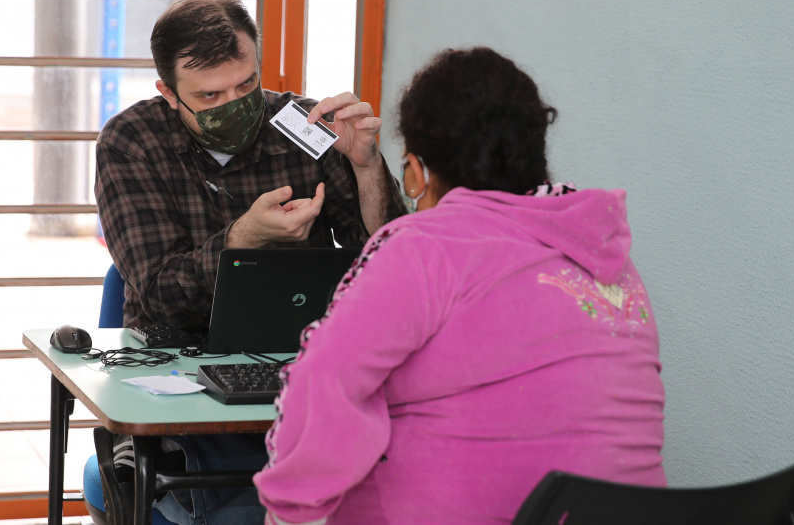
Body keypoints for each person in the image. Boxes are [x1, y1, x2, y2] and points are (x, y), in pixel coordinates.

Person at [253, 47, 668, 524]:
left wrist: (286, 512)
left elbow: (319, 389)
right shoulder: (603, 251)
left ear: (417, 171)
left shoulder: (425, 246)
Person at [92, 0, 406, 525]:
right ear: (169, 93)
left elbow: (393, 262)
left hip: (303, 362)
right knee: (241, 511)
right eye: (209, 95)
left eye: (246, 86)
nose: (233, 104)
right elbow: (163, 294)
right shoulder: (131, 142)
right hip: (181, 368)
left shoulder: (303, 127)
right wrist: (243, 238)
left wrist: (367, 166)